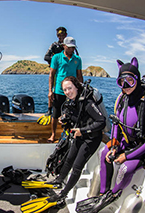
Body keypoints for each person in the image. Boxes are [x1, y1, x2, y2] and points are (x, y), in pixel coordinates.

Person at [85, 57, 145, 212]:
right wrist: (114, 146)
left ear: (137, 79)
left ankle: (112, 196)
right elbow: (116, 124)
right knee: (103, 153)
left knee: (124, 169)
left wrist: (126, 156)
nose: (125, 86)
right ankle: (103, 193)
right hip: (125, 143)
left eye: (130, 81)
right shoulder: (122, 99)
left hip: (144, 150)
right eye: (121, 82)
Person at [20, 76, 105, 211]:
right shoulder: (72, 102)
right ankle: (59, 181)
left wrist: (82, 131)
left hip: (91, 138)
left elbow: (101, 121)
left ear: (77, 87)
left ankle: (63, 194)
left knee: (77, 166)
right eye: (65, 90)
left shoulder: (87, 102)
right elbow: (74, 119)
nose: (67, 92)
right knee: (68, 159)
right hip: (79, 135)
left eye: (70, 88)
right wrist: (65, 120)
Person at [48, 36, 83, 142]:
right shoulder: (56, 57)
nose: (72, 49)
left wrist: (81, 89)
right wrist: (50, 91)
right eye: (69, 47)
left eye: (73, 47)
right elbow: (51, 74)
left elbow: (79, 75)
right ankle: (53, 135)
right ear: (64, 46)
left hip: (73, 92)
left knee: (72, 114)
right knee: (55, 114)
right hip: (59, 90)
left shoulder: (77, 59)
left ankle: (69, 135)